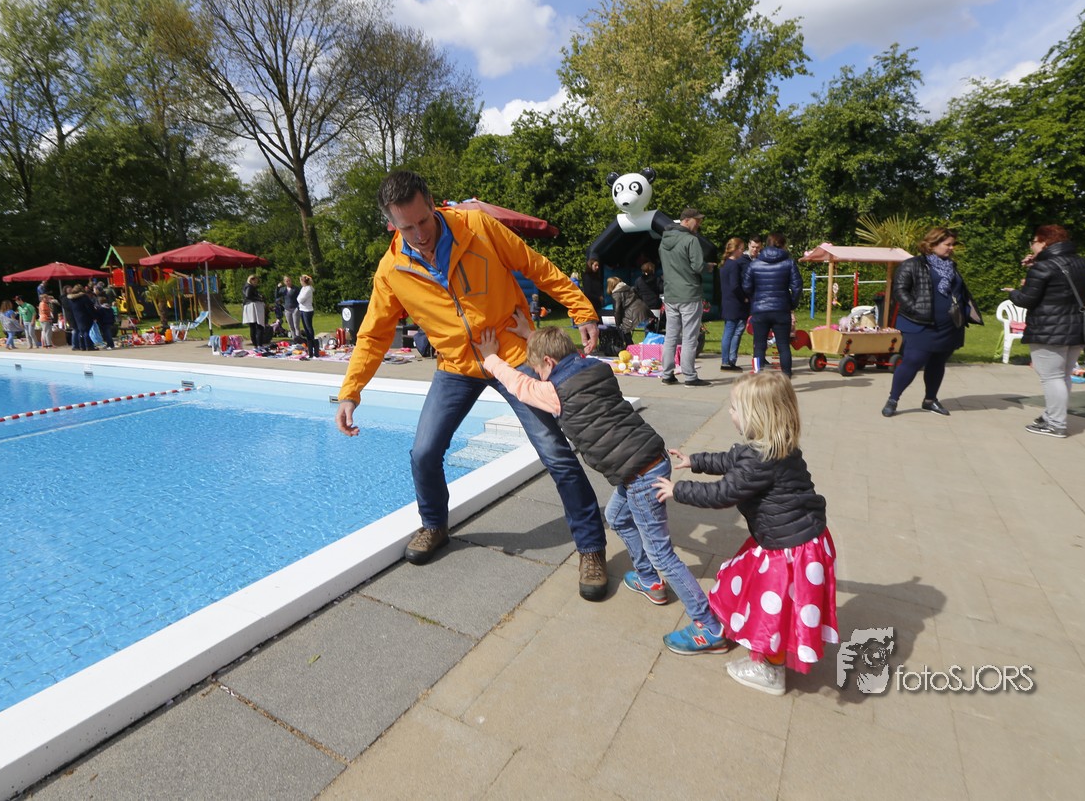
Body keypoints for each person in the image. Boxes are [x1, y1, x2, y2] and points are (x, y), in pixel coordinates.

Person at [335, 170, 610, 600]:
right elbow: (373, 335)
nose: (420, 235)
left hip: (512, 354)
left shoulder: (478, 227)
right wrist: (351, 392)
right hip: (457, 366)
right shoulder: (392, 271)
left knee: (555, 452)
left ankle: (591, 548)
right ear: (392, 223)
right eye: (406, 227)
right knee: (423, 452)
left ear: (433, 204)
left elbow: (535, 266)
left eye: (423, 221)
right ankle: (434, 525)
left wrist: (581, 309)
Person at [476, 316, 726, 654]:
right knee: (617, 516)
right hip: (648, 459)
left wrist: (490, 357)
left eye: (539, 369)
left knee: (662, 554)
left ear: (549, 363)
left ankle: (708, 625)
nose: (538, 375)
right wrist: (529, 334)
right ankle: (648, 579)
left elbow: (518, 384)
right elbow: (561, 356)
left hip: (639, 475)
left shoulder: (553, 392)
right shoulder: (595, 366)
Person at [654, 370, 838, 695]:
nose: (730, 413)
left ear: (755, 416)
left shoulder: (760, 460)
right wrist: (695, 460)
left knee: (775, 610)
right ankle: (749, 638)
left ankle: (770, 671)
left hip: (790, 549)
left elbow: (723, 493)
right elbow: (731, 459)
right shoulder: (773, 446)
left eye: (734, 408)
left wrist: (677, 490)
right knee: (743, 581)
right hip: (792, 538)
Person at [882, 227, 981, 418]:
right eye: (948, 244)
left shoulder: (951, 266)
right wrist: (916, 308)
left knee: (938, 362)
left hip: (949, 326)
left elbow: (958, 291)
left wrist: (966, 311)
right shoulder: (913, 264)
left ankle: (930, 400)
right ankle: (893, 399)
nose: (951, 248)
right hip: (921, 324)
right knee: (913, 360)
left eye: (953, 244)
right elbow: (900, 290)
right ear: (933, 244)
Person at [1009, 224, 1085, 438]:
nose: (1032, 246)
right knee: (1063, 376)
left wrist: (1013, 292)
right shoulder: (1081, 263)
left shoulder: (1043, 267)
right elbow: (1061, 286)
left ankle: (1056, 424)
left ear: (1044, 242)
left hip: (1049, 329)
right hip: (1076, 328)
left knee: (1051, 377)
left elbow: (1027, 299)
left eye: (1034, 242)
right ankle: (1052, 416)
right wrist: (1035, 265)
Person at [659, 208, 708, 386]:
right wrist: (707, 267)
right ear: (686, 220)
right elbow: (697, 266)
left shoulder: (664, 240)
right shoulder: (691, 240)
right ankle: (690, 376)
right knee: (689, 337)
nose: (699, 224)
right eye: (697, 220)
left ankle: (667, 374)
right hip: (689, 294)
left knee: (671, 336)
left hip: (670, 294)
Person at [742, 232, 802, 377]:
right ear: (782, 245)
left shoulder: (754, 263)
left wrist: (754, 298)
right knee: (783, 346)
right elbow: (797, 286)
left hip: (760, 309)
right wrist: (792, 304)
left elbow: (746, 286)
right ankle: (786, 378)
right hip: (781, 308)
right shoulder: (789, 263)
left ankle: (758, 376)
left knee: (759, 346)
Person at [717, 237, 748, 372]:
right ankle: (727, 360)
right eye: (741, 249)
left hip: (727, 301)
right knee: (732, 332)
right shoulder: (734, 265)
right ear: (735, 250)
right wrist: (744, 298)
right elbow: (735, 285)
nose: (742, 252)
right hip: (735, 303)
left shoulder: (725, 264)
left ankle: (728, 360)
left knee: (730, 331)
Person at [633, 261, 664, 333]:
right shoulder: (657, 279)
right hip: (655, 307)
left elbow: (635, 292)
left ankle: (648, 328)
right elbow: (662, 290)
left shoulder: (638, 280)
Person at [242, 274, 267, 347]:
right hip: (254, 306)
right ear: (251, 280)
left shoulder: (246, 286)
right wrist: (259, 299)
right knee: (259, 325)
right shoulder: (250, 287)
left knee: (252, 326)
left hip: (249, 306)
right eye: (255, 281)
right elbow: (248, 296)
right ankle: (259, 344)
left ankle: (255, 344)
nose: (256, 283)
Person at [298, 274, 317, 358]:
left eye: (300, 281)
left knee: (309, 328)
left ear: (303, 281)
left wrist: (299, 298)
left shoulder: (308, 289)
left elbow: (300, 299)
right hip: (302, 309)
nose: (300, 282)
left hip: (307, 310)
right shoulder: (303, 288)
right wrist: (299, 298)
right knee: (306, 328)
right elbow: (299, 298)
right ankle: (309, 345)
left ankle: (312, 343)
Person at [280, 275, 302, 341]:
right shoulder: (283, 289)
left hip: (295, 308)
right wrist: (277, 288)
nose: (288, 282)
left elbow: (300, 298)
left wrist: (298, 307)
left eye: (289, 280)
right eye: (286, 281)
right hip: (287, 309)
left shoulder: (295, 288)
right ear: (284, 282)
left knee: (296, 325)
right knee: (291, 326)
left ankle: (299, 339)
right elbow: (277, 295)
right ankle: (294, 339)